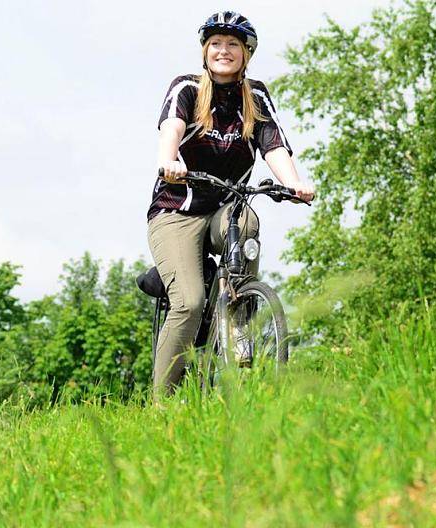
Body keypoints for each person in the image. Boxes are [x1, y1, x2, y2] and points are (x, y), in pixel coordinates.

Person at [147, 11, 315, 395]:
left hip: (226, 207)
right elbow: (170, 127)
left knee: (249, 221)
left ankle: (239, 324)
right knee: (188, 304)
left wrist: (293, 184)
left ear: (246, 53)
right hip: (178, 207)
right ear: (205, 51)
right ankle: (162, 403)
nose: (224, 51)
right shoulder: (186, 88)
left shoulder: (254, 96)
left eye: (233, 45)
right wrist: (169, 159)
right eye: (217, 44)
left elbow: (273, 142)